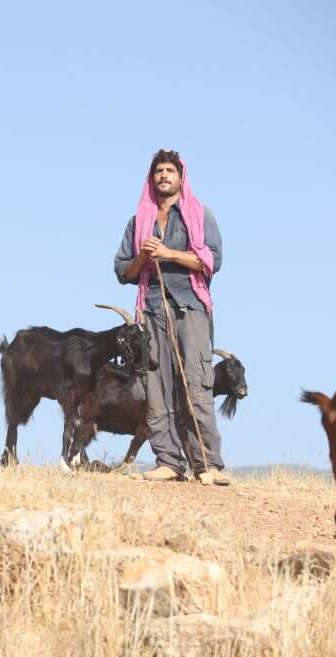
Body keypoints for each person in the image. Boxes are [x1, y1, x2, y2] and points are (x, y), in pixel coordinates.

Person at [113, 149, 229, 486]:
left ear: (181, 177)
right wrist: (144, 258)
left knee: (195, 381)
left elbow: (212, 261)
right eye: (158, 171)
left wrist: (169, 254)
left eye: (170, 171)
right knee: (156, 385)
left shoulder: (199, 214)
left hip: (189, 306)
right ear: (151, 179)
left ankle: (207, 464)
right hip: (151, 308)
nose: (164, 176)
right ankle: (168, 461)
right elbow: (124, 270)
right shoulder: (139, 221)